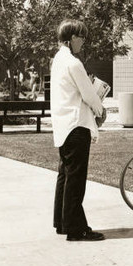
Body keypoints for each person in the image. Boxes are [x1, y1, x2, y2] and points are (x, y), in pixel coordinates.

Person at [51, 19, 105, 242]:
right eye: (81, 37)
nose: (83, 41)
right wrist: (100, 109)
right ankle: (76, 228)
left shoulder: (58, 60)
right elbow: (88, 94)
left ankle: (62, 222)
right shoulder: (73, 63)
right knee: (76, 179)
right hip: (76, 126)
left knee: (65, 175)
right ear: (72, 38)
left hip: (64, 126)